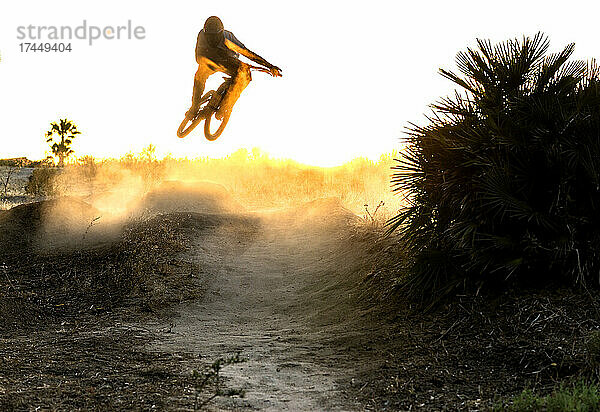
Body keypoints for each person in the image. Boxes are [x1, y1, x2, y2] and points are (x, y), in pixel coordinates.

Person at [187, 16, 282, 120]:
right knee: (200, 76)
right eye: (210, 36)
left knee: (244, 74)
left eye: (215, 36)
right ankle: (195, 107)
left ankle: (225, 106)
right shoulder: (202, 35)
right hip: (211, 61)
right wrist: (209, 63)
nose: (212, 39)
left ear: (221, 33)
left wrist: (270, 66)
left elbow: (249, 54)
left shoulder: (227, 39)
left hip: (227, 60)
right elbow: (198, 57)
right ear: (205, 33)